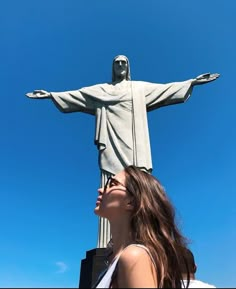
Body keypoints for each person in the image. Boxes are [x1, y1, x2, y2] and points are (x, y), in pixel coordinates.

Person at [26, 55, 220, 248]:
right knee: (112, 185)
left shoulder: (139, 88)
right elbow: (79, 95)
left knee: (139, 187)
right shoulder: (102, 90)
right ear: (113, 67)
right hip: (111, 142)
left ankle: (144, 237)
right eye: (117, 62)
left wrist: (192, 82)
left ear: (128, 67)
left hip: (136, 144)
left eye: (123, 62)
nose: (120, 65)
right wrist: (51, 95)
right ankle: (108, 244)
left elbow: (165, 89)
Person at [94, 165, 191, 288]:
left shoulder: (135, 257)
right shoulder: (114, 264)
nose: (101, 189)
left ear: (131, 201)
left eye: (112, 184)